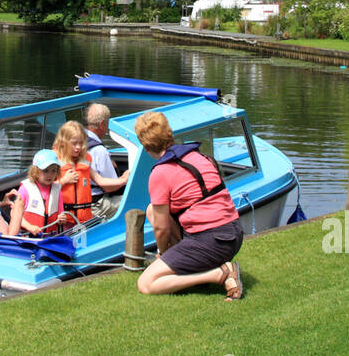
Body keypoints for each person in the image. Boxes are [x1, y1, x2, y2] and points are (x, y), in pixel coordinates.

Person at [132, 111, 244, 300]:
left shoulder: (160, 172)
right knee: (153, 209)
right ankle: (199, 268)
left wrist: (163, 254)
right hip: (234, 233)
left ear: (145, 146)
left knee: (146, 283)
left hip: (212, 241)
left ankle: (220, 274)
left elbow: (161, 229)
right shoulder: (199, 157)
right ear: (169, 134)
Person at [82, 103, 129, 215]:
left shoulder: (76, 139)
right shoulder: (99, 150)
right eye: (107, 122)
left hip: (81, 201)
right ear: (102, 124)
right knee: (134, 201)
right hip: (96, 205)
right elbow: (110, 188)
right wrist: (125, 177)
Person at [9, 150, 67, 236]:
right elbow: (14, 213)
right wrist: (29, 227)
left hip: (49, 238)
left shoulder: (57, 191)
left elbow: (60, 214)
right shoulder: (25, 189)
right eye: (45, 171)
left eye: (53, 171)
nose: (50, 175)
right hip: (27, 238)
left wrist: (62, 219)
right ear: (35, 171)